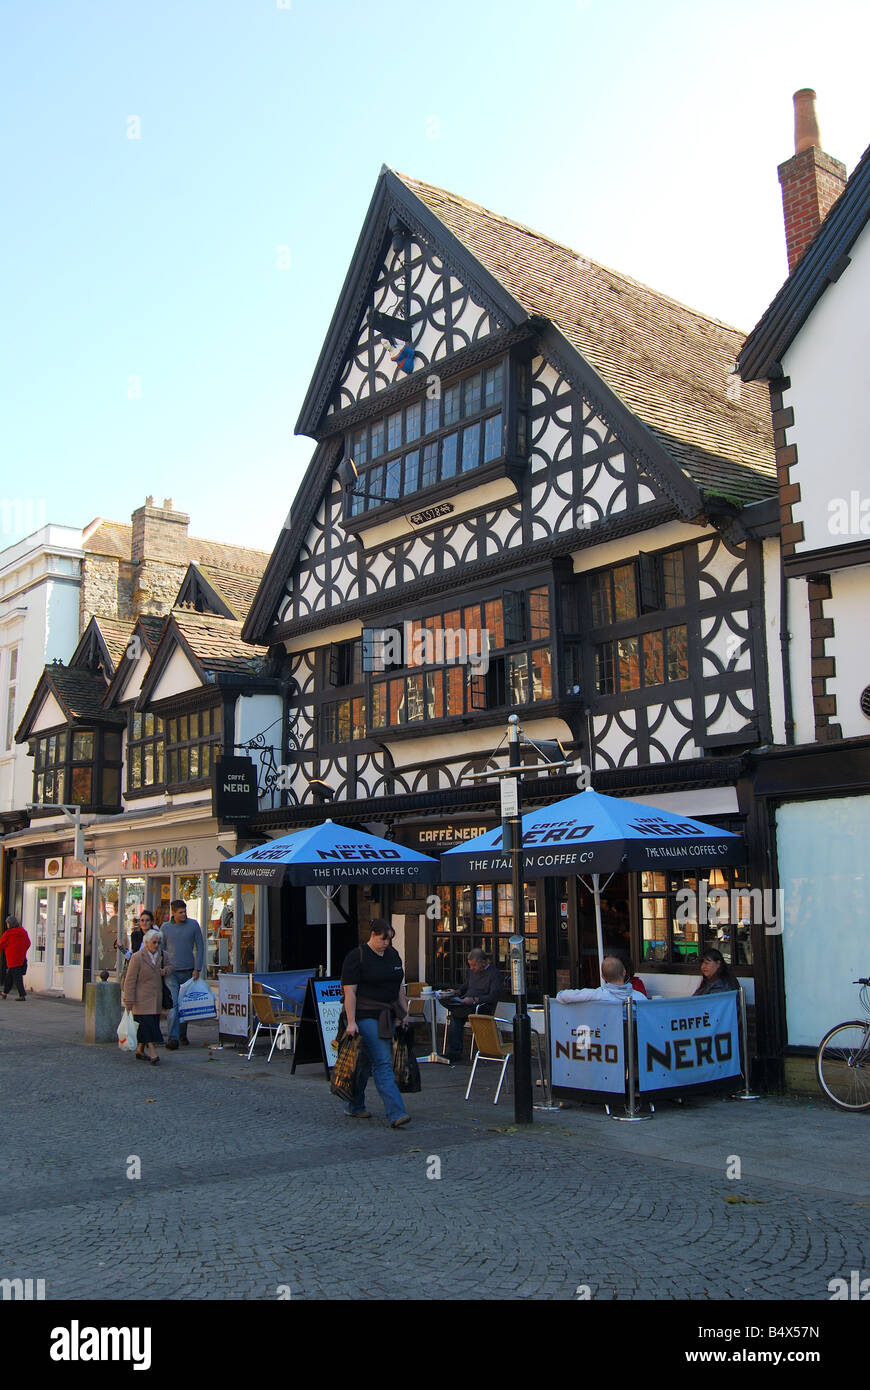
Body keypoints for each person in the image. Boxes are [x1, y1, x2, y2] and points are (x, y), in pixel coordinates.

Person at [340, 919, 411, 1128]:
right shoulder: (357, 957)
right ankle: (396, 1112)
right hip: (366, 1014)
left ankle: (354, 1105)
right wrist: (351, 1022)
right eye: (383, 939)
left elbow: (398, 986)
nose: (387, 943)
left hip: (388, 1014)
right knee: (382, 1061)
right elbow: (349, 992)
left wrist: (404, 1012)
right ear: (372, 934)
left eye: (390, 939)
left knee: (364, 1063)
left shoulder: (392, 955)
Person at [438, 948, 502, 1062]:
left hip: (481, 1006)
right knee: (450, 1005)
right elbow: (466, 986)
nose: (471, 968)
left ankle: (454, 1052)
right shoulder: (472, 972)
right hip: (465, 1004)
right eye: (470, 965)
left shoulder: (494, 974)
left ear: (483, 962)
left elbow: (493, 996)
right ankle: (454, 1051)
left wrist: (474, 999)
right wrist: (456, 992)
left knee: (455, 1015)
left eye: (473, 965)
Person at [163, 900, 206, 1050]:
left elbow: (200, 947)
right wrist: (162, 968)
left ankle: (182, 1034)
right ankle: (173, 1038)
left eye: (184, 911)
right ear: (173, 913)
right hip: (171, 972)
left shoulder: (193, 925)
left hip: (188, 971)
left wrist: (197, 968)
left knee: (184, 1005)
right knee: (173, 1004)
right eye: (180, 912)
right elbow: (161, 950)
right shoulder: (165, 928)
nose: (183, 914)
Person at [122, 928, 169, 1065]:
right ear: (147, 943)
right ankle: (153, 1051)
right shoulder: (137, 957)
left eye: (159, 942)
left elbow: (171, 966)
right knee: (147, 1026)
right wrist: (128, 1000)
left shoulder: (162, 955)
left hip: (155, 998)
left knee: (150, 1025)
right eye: (154, 942)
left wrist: (165, 970)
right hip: (141, 999)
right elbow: (130, 980)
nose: (156, 945)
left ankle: (140, 1050)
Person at [556, 955, 649, 1005]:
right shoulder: (640, 997)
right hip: (635, 1038)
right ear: (624, 972)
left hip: (606, 1037)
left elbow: (561, 996)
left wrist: (560, 994)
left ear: (602, 977)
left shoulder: (598, 994)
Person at [0, 915, 30, 1000]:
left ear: (10, 924)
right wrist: (22, 951)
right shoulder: (23, 932)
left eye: (7, 923)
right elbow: (28, 943)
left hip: (12, 958)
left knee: (17, 977)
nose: (7, 925)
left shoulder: (8, 934)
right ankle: (5, 992)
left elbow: (1, 944)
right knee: (9, 975)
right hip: (21, 957)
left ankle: (22, 995)